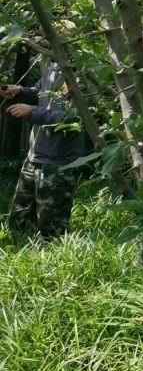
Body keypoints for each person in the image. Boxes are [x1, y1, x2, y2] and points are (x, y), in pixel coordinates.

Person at [3, 57, 90, 239]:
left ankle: (54, 264)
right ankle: (20, 254)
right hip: (35, 155)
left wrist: (32, 111)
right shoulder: (53, 63)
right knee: (19, 220)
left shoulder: (80, 70)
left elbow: (72, 118)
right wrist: (20, 91)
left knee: (52, 227)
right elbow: (40, 92)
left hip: (57, 160)